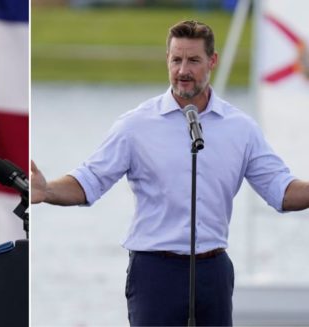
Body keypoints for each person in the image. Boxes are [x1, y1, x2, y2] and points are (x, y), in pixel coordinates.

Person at [31, 20, 309, 326]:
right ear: (167, 59)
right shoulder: (135, 126)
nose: (183, 71)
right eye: (176, 60)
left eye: (193, 60)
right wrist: (47, 191)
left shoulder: (240, 128)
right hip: (155, 273)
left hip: (213, 271)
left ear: (212, 61)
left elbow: (283, 192)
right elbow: (89, 180)